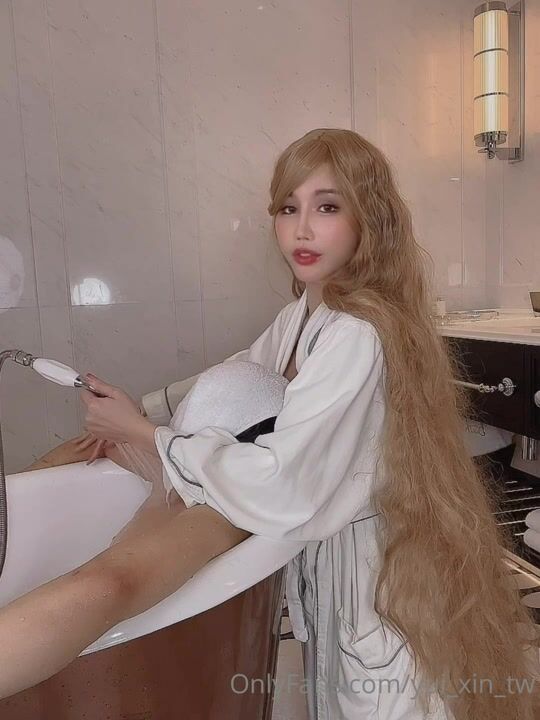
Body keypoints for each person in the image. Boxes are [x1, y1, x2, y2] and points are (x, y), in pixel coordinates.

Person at [1, 128, 539, 719]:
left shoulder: (358, 334)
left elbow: (286, 482)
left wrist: (145, 434)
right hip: (333, 565)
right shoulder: (302, 315)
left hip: (377, 577)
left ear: (369, 218)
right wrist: (139, 410)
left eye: (327, 207)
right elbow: (233, 377)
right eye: (288, 208)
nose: (301, 229)